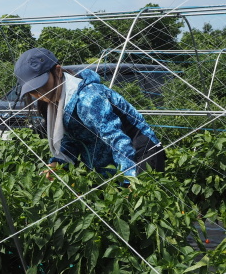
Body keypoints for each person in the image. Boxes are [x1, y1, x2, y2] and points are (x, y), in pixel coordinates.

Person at [14, 47, 165, 179]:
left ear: (58, 71)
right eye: (33, 91)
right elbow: (72, 139)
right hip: (109, 165)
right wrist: (56, 164)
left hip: (140, 155)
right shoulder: (58, 103)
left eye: (42, 85)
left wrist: (129, 179)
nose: (40, 94)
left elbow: (117, 139)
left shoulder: (87, 98)